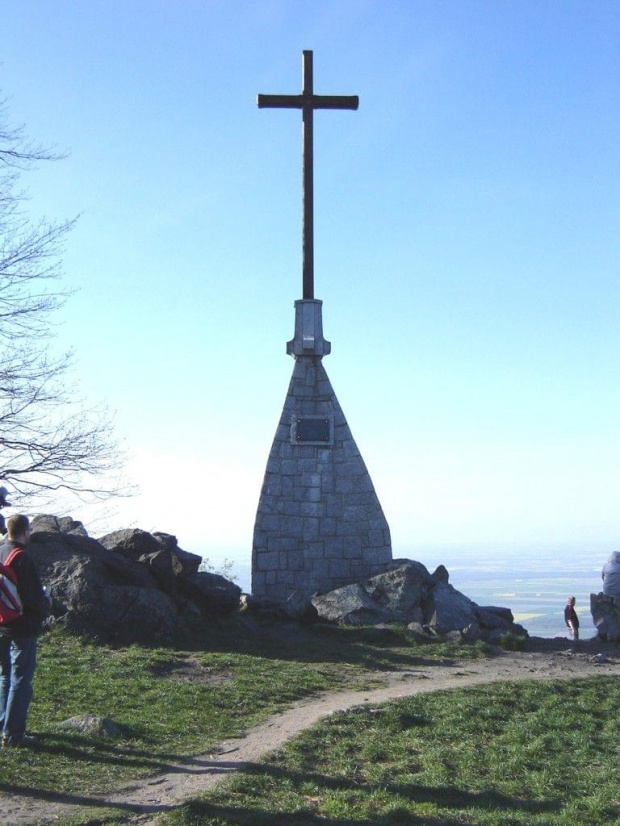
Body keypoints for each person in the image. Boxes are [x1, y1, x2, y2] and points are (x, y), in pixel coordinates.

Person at [0, 514, 50, 748]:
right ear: (25, 531)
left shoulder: (1, 551)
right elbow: (33, 598)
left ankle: (3, 726)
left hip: (2, 622)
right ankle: (13, 734)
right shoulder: (22, 558)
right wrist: (46, 600)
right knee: (21, 678)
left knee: (4, 677)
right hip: (22, 624)